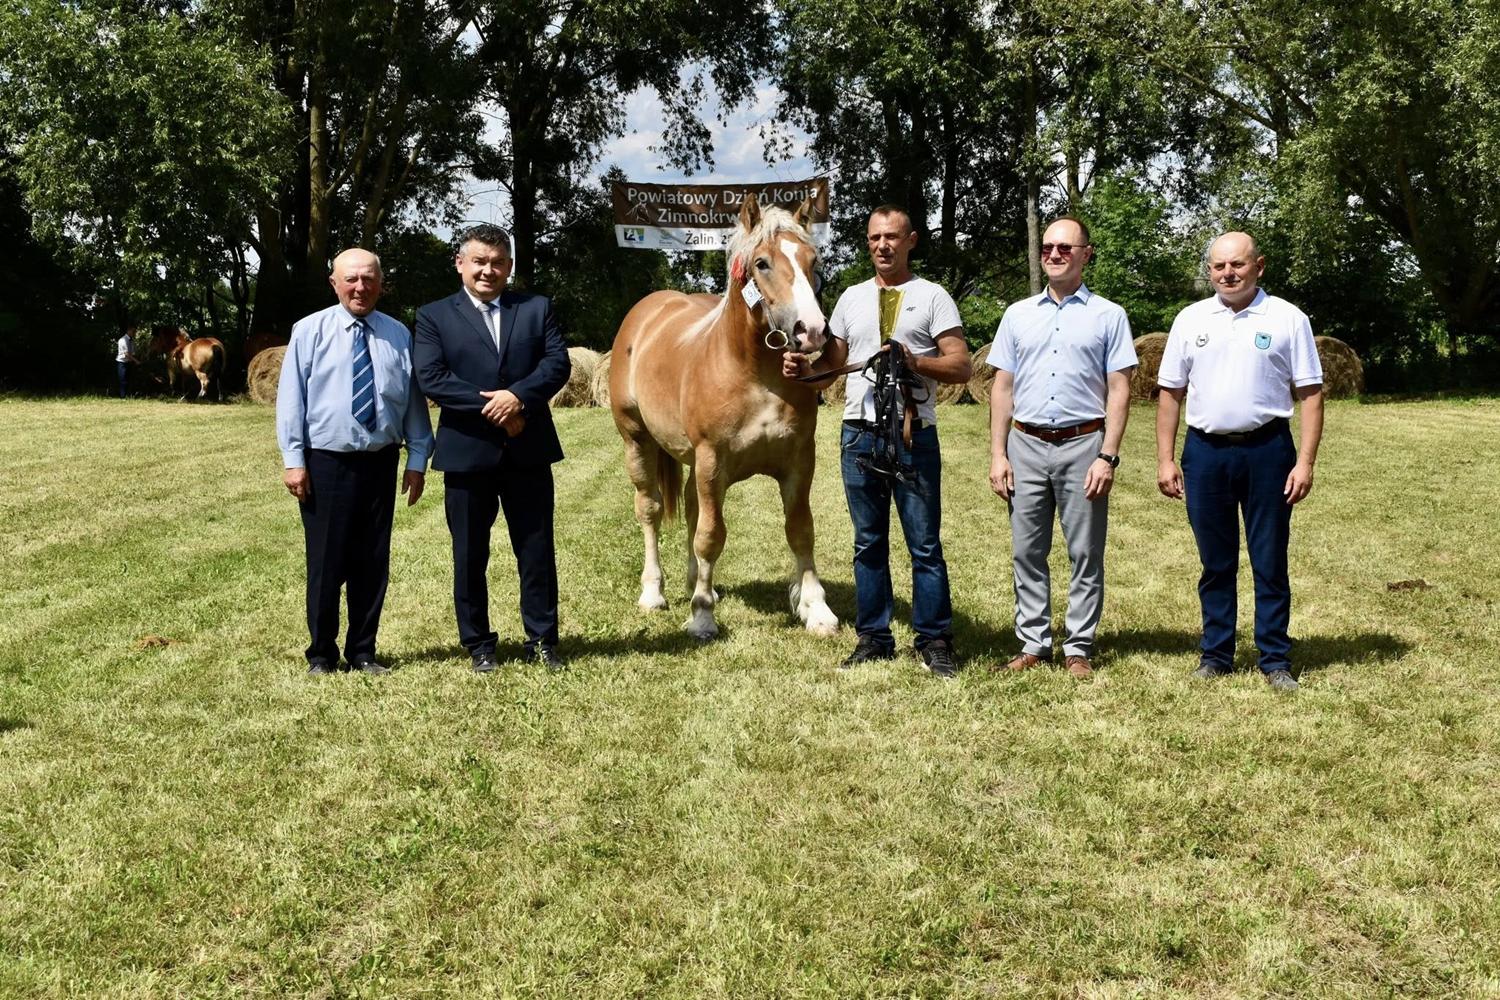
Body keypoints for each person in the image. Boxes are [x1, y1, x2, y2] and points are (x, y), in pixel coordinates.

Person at [785, 205, 970, 677]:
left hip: (912, 434)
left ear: (911, 241)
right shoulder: (850, 298)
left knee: (924, 544)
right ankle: (874, 637)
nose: (882, 246)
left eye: (891, 237)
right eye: (874, 238)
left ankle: (934, 640)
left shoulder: (933, 297)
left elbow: (961, 366)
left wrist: (915, 362)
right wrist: (804, 371)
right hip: (859, 436)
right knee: (868, 543)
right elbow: (831, 369)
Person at [1156, 231, 1324, 692]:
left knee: (1269, 559)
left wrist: (1305, 463)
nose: (1227, 273)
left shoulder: (1288, 318)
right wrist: (1166, 459)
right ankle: (1216, 655)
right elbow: (1170, 394)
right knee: (1216, 562)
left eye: (1237, 264)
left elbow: (1311, 394)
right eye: (1218, 266)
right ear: (1210, 270)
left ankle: (1275, 659)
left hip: (1268, 451)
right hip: (1205, 453)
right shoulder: (1190, 319)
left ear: (1259, 266)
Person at [414, 225, 571, 673]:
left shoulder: (536, 308)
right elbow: (433, 377)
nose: (488, 270)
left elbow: (556, 364)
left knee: (536, 551)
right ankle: (479, 645)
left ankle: (542, 641)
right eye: (479, 261)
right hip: (467, 453)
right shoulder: (433, 316)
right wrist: (499, 408)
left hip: (528, 450)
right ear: (460, 263)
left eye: (498, 262)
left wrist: (518, 397)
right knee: (469, 555)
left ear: (510, 266)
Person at [987, 217, 1137, 679]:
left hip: (1083, 445)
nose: (1054, 254)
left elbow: (1120, 390)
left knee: (1085, 552)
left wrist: (1107, 456)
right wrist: (998, 454)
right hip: (1026, 445)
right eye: (1048, 247)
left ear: (1086, 254)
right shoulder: (1017, 314)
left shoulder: (1109, 316)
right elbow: (1002, 388)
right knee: (1026, 551)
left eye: (1065, 248)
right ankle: (1034, 643)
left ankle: (1078, 647)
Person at [276, 248, 433, 675]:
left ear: (381, 284)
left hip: (381, 461)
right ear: (334, 284)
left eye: (368, 279)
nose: (360, 287)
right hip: (326, 463)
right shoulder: (309, 331)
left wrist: (418, 457)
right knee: (326, 561)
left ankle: (363, 651)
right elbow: (291, 399)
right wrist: (294, 460)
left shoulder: (398, 334)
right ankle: (321, 655)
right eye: (351, 279)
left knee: (372, 561)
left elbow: (413, 401)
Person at [115, 330, 135, 398]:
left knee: (128, 379)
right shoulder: (123, 340)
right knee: (122, 380)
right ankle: (122, 396)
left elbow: (132, 352)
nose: (134, 333)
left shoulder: (131, 340)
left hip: (129, 362)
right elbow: (126, 354)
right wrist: (136, 361)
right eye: (133, 331)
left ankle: (128, 395)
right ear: (129, 331)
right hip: (122, 362)